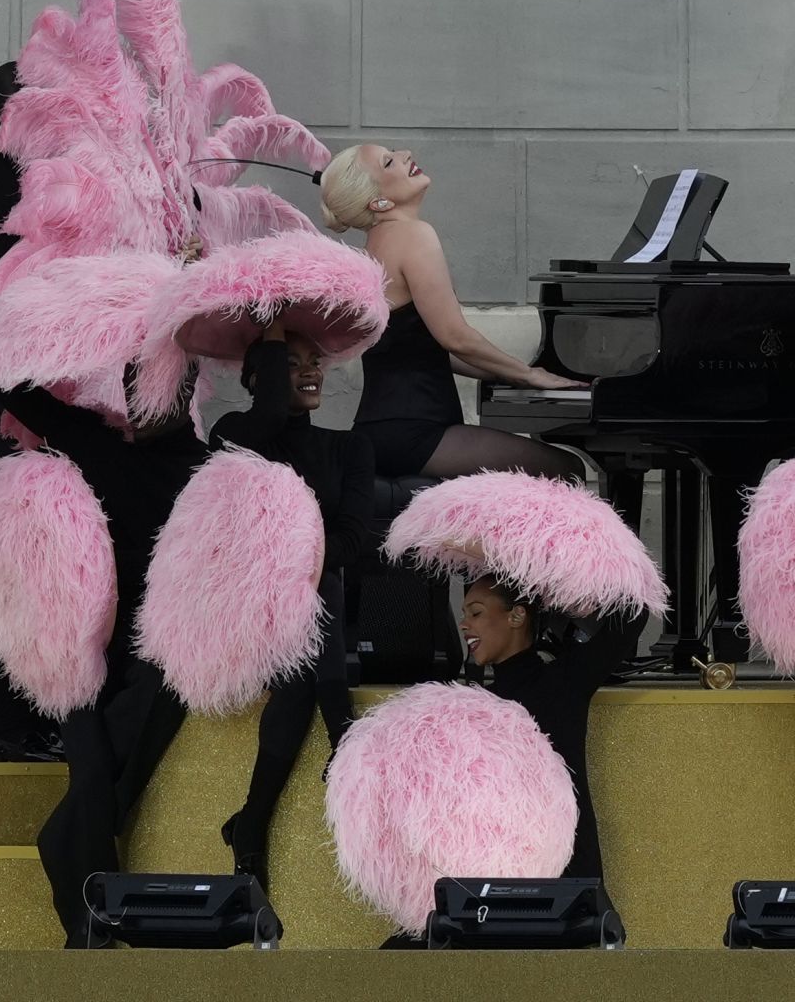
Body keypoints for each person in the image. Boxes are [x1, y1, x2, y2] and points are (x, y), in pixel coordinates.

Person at [0, 370, 206, 947]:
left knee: (92, 795)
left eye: (160, 386)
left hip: (157, 658)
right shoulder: (99, 444)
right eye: (131, 384)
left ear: (185, 393)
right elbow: (10, 391)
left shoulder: (207, 467)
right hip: (83, 649)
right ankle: (92, 931)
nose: (141, 399)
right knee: (91, 779)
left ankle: (88, 936)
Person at [209, 320, 375, 891]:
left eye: (314, 361)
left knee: (318, 593)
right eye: (291, 362)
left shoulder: (350, 446)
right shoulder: (235, 433)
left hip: (314, 613)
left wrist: (302, 554)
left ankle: (251, 824)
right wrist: (273, 332)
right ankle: (342, 730)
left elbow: (351, 541)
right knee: (314, 585)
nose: (308, 370)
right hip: (247, 609)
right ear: (259, 378)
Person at [318, 143, 585, 481]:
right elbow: (454, 336)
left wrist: (502, 373)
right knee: (567, 470)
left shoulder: (376, 244)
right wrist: (527, 376)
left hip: (387, 428)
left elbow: (423, 350)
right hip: (416, 434)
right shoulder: (412, 234)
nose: (405, 155)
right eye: (389, 162)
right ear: (379, 202)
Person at [0, 61, 61, 761]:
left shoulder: (19, 167)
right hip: (23, 371)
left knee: (21, 552)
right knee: (7, 555)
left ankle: (24, 719)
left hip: (25, 363)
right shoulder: (10, 164)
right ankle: (15, 723)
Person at [460, 576, 646, 882]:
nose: (465, 624)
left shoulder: (564, 680)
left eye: (476, 613)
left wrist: (549, 577)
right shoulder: (475, 705)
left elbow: (633, 609)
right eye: (464, 614)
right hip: (499, 878)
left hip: (569, 880)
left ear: (517, 616)